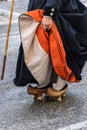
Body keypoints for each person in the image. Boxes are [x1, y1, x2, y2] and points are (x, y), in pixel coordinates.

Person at [13, 0, 87, 101]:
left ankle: (61, 85)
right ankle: (44, 83)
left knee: (61, 46)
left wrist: (49, 14)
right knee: (41, 47)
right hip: (40, 5)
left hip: (57, 7)